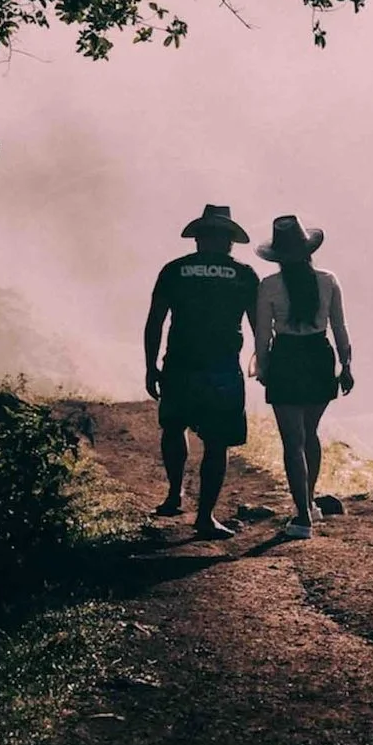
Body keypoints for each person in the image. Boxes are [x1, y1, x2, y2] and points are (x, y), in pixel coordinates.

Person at [145, 204, 260, 538]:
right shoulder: (243, 274)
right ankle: (205, 517)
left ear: (198, 239)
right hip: (222, 367)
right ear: (229, 242)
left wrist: (150, 365)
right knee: (217, 440)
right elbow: (258, 324)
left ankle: (174, 494)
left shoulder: (174, 270)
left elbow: (155, 321)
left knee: (173, 426)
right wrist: (263, 359)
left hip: (179, 362)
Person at [252, 215, 354, 540]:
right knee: (310, 433)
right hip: (319, 357)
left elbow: (262, 336)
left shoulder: (269, 286)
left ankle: (302, 518)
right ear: (309, 250)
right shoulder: (328, 281)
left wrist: (264, 368)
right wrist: (346, 365)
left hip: (286, 358)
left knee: (291, 441)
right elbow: (339, 327)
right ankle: (309, 503)